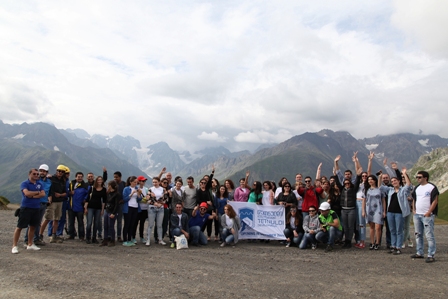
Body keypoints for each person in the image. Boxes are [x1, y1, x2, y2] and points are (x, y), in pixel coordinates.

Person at [12, 169, 46, 253]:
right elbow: (26, 194)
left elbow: (43, 194)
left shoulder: (39, 184)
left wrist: (33, 195)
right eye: (34, 174)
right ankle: (14, 246)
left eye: (37, 174)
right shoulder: (24, 183)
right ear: (29, 174)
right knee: (20, 227)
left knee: (33, 226)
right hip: (26, 208)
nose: (36, 175)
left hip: (36, 207)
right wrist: (37, 193)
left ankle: (30, 244)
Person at [411, 170, 439, 263]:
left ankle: (431, 254)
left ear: (425, 178)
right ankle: (419, 252)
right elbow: (414, 199)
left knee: (429, 235)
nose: (418, 179)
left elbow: (435, 200)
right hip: (417, 214)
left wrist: (429, 212)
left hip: (427, 215)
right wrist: (414, 209)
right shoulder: (417, 188)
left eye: (419, 177)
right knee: (418, 234)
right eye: (417, 177)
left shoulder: (431, 187)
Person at [384, 167, 412, 255]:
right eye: (392, 182)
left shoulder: (403, 190)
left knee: (399, 230)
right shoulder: (390, 190)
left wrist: (404, 173)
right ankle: (393, 246)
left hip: (399, 213)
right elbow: (380, 187)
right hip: (390, 213)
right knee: (392, 230)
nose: (393, 182)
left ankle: (398, 247)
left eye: (395, 181)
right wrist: (380, 177)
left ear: (399, 181)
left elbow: (408, 185)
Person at [24, 164, 51, 246]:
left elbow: (47, 192)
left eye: (44, 171)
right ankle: (27, 240)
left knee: (38, 222)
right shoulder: (35, 180)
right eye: (41, 171)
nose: (42, 172)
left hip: (43, 203)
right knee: (31, 223)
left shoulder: (49, 181)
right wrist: (38, 195)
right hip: (35, 203)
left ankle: (36, 239)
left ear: (47, 172)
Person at [39, 164, 67, 244]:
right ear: (56, 171)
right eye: (59, 171)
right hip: (52, 202)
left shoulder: (63, 181)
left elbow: (65, 192)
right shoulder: (51, 178)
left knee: (57, 218)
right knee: (48, 218)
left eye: (62, 172)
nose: (60, 173)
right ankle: (40, 235)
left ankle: (53, 236)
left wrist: (60, 195)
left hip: (60, 201)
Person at [365, 174, 387, 250]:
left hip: (378, 209)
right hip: (369, 209)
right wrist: (364, 211)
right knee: (371, 227)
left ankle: (377, 242)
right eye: (368, 180)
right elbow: (364, 200)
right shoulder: (367, 189)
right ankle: (372, 242)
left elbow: (383, 200)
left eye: (371, 179)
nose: (370, 181)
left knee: (378, 227)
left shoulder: (380, 189)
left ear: (375, 180)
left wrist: (384, 211)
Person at [85, 176, 106, 244]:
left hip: (98, 207)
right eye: (98, 180)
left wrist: (102, 210)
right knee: (89, 223)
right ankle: (88, 237)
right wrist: (85, 208)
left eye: (101, 180)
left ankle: (94, 237)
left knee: (96, 223)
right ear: (96, 181)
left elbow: (104, 201)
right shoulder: (92, 188)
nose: (99, 181)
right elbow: (87, 198)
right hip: (90, 206)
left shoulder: (104, 189)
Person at [68, 172, 89, 240]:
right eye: (78, 177)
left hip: (80, 206)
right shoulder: (71, 184)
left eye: (81, 177)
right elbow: (66, 192)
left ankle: (81, 236)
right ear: (75, 177)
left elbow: (88, 194)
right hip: (71, 206)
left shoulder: (85, 185)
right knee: (71, 222)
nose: (79, 178)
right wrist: (69, 193)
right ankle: (71, 234)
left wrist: (85, 200)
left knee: (80, 222)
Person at [122, 176, 142, 246]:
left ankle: (130, 239)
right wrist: (131, 193)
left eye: (137, 182)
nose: (136, 184)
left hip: (135, 207)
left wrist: (139, 194)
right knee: (127, 224)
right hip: (128, 208)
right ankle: (125, 240)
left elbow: (139, 199)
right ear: (130, 182)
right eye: (134, 182)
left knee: (132, 224)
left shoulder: (137, 188)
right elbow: (124, 199)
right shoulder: (126, 189)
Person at [101, 180, 122, 247]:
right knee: (105, 225)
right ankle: (105, 239)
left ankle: (113, 240)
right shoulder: (108, 193)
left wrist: (113, 213)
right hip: (107, 210)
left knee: (111, 226)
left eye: (108, 185)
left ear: (111, 186)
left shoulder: (117, 194)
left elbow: (116, 205)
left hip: (112, 211)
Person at [147, 177, 165, 246]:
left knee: (159, 225)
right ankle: (148, 239)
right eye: (153, 182)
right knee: (150, 225)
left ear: (159, 182)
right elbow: (148, 199)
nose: (154, 183)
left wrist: (160, 204)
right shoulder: (150, 189)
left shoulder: (163, 189)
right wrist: (154, 203)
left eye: (156, 182)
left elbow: (165, 198)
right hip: (152, 208)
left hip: (160, 208)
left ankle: (160, 239)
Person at [134, 176, 149, 244]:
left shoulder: (146, 189)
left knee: (142, 223)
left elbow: (148, 197)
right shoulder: (136, 189)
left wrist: (145, 199)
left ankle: (141, 237)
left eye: (144, 181)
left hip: (145, 208)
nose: (143, 182)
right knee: (135, 223)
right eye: (142, 181)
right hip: (138, 208)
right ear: (138, 181)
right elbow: (136, 199)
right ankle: (133, 237)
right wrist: (144, 200)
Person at [113, 171, 126, 242]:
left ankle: (118, 236)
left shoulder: (124, 184)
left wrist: (123, 200)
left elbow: (126, 193)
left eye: (116, 177)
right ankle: (111, 235)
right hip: (113, 205)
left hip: (120, 205)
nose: (115, 178)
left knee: (119, 221)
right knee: (112, 220)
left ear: (120, 177)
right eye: (114, 177)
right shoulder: (113, 184)